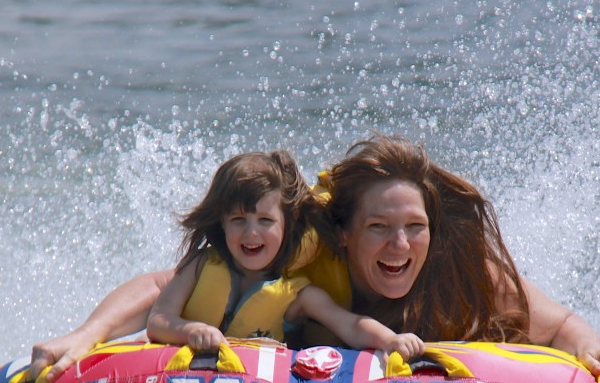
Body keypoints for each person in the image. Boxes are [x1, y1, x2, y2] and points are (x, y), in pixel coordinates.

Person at [30, 135, 600, 383]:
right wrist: (88, 335)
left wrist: (596, 351)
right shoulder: (316, 265)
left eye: (414, 229)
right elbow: (164, 286)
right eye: (379, 229)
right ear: (345, 235)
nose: (399, 246)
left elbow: (559, 327)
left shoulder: (460, 270)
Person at [142, 150, 423, 360]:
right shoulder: (199, 265)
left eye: (265, 221)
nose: (252, 233)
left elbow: (349, 324)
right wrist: (190, 331)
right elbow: (158, 320)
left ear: (287, 224)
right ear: (222, 222)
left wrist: (390, 340)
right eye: (239, 219)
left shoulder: (297, 294)